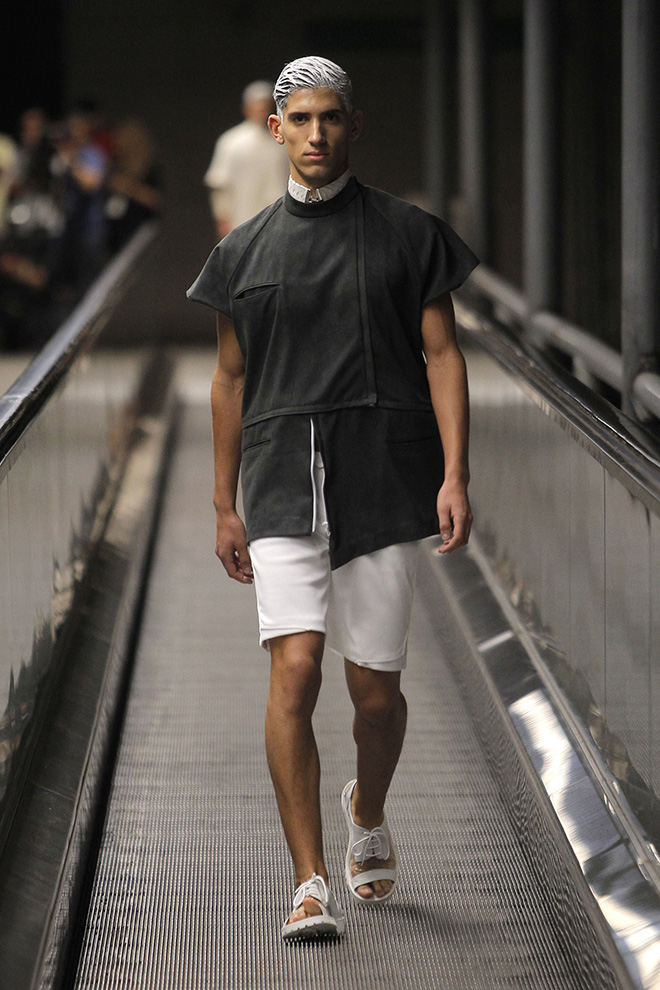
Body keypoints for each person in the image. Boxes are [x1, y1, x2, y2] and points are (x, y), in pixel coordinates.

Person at [187, 56, 478, 941]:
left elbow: (442, 355)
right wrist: (224, 502)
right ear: (275, 128)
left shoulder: (406, 234)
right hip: (282, 477)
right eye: (301, 119)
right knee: (297, 667)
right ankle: (309, 882)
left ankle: (368, 811)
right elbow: (229, 379)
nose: (317, 134)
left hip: (383, 477)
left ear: (354, 125)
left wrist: (455, 473)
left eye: (332, 118)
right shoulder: (241, 252)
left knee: (376, 695)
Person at [203, 80, 289, 239]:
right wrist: (223, 217)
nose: (261, 110)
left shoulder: (281, 143)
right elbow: (220, 184)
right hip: (242, 217)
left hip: (276, 217)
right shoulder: (231, 142)